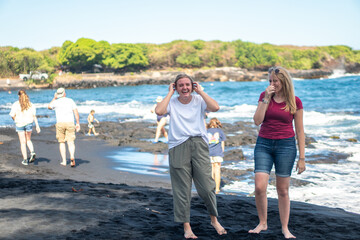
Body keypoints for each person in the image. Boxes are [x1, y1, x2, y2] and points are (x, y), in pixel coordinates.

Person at [155, 74, 227, 239]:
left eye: (187, 85)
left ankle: (214, 220)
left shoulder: (199, 100)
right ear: (176, 87)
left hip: (199, 145)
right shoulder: (171, 102)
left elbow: (215, 107)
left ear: (192, 86)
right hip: (177, 146)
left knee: (207, 186)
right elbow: (159, 111)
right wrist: (169, 93)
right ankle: (187, 228)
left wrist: (201, 91)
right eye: (181, 85)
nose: (185, 88)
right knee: (182, 189)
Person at [249, 66, 305, 239]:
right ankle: (263, 223)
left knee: (282, 190)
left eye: (275, 81)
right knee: (259, 187)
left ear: (284, 81)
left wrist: (302, 158)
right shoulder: (264, 97)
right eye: (270, 81)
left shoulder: (295, 101)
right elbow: (257, 121)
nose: (272, 84)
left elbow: (300, 131)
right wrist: (266, 98)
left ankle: (285, 228)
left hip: (286, 146)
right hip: (264, 144)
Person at [48, 88, 80, 167]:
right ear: (64, 93)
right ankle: (72, 156)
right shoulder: (70, 100)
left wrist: (54, 98)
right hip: (70, 122)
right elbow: (76, 112)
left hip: (60, 123)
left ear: (57, 94)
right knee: (71, 142)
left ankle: (64, 161)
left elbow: (49, 106)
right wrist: (78, 123)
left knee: (61, 142)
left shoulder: (56, 102)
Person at [9, 90, 41, 165]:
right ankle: (32, 152)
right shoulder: (30, 104)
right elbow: (34, 116)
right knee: (28, 140)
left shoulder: (16, 104)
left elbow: (12, 115)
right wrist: (37, 125)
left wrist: (15, 120)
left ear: (18, 96)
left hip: (20, 124)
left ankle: (25, 160)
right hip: (29, 123)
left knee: (22, 142)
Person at [207, 118, 226, 194]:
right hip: (218, 153)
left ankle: (211, 187)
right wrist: (222, 152)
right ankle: (217, 189)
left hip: (209, 153)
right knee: (217, 170)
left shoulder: (206, 131)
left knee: (211, 170)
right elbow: (222, 144)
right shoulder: (220, 132)